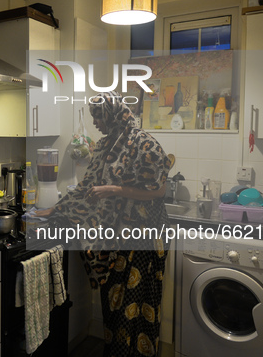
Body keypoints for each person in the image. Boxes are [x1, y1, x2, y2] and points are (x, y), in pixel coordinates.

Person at [35, 91, 171, 357]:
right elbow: (86, 188)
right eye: (94, 116)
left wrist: (113, 189)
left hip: (143, 236)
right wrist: (52, 209)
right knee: (115, 305)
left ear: (113, 115)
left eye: (99, 117)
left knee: (137, 305)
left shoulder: (144, 143)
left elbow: (159, 191)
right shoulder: (105, 146)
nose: (95, 122)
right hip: (114, 235)